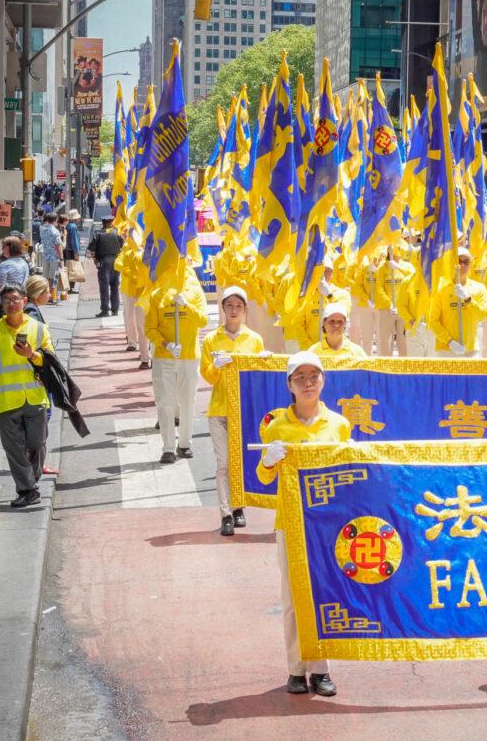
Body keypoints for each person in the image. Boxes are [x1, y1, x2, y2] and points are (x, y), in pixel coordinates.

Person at [256, 351, 350, 697]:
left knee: (324, 592)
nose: (308, 384)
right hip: (291, 520)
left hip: (327, 524)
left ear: (323, 380)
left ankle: (321, 669)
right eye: (300, 378)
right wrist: (268, 460)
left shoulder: (339, 425)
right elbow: (264, 478)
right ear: (289, 385)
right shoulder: (276, 426)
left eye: (314, 377)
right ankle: (296, 668)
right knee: (294, 597)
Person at [199, 286, 265, 536]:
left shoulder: (254, 340)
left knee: (240, 462)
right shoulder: (211, 340)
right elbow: (207, 375)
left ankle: (239, 507)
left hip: (245, 412)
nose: (234, 310)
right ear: (223, 308)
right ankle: (225, 512)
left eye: (239, 306)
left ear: (245, 310)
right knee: (223, 462)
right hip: (220, 410)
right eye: (230, 306)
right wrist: (216, 367)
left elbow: (259, 376)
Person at [0, 283, 55, 507]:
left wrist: (32, 354)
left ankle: (30, 481)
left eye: (15, 299)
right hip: (5, 402)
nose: (11, 304)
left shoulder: (39, 328)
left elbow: (51, 360)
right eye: (6, 300)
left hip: (34, 398)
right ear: (1, 304)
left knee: (37, 444)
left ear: (24, 301)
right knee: (14, 450)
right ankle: (27, 490)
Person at [145, 269, 209, 464]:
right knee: (165, 402)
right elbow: (150, 328)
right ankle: (168, 448)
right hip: (165, 357)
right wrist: (166, 344)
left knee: (187, 401)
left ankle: (184, 444)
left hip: (188, 356)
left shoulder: (195, 293)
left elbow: (203, 320)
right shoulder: (156, 295)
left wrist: (186, 305)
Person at [428, 247, 487, 357]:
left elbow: (483, 315)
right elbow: (433, 321)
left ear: (470, 264)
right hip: (446, 350)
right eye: (459, 261)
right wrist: (450, 342)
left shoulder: (479, 288)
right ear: (453, 264)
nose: (463, 265)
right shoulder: (441, 289)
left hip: (471, 350)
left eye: (466, 262)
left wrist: (468, 300)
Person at [374, 244, 414, 356]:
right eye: (391, 249)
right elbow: (379, 288)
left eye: (397, 249)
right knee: (385, 341)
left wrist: (397, 267)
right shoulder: (382, 268)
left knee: (404, 341)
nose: (394, 252)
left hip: (404, 309)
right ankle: (385, 368)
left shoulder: (407, 266)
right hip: (387, 309)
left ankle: (404, 367)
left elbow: (413, 278)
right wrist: (389, 304)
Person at [87, 216, 124, 318]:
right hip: (116, 261)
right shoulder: (117, 233)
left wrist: (95, 261)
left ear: (103, 223)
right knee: (115, 286)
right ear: (112, 223)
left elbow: (92, 250)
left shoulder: (98, 234)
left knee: (104, 287)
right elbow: (123, 247)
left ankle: (105, 310)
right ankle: (115, 309)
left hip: (104, 261)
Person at [39, 213, 63, 296]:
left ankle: (46, 294)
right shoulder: (55, 231)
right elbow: (58, 246)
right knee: (53, 277)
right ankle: (52, 295)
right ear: (55, 220)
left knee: (45, 277)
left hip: (45, 255)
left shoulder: (42, 229)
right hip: (54, 256)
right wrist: (61, 258)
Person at [60, 212, 82, 295]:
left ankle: (67, 286)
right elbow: (74, 240)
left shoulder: (68, 226)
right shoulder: (73, 226)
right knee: (72, 269)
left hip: (66, 250)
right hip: (71, 251)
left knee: (67, 268)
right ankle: (70, 287)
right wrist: (76, 252)